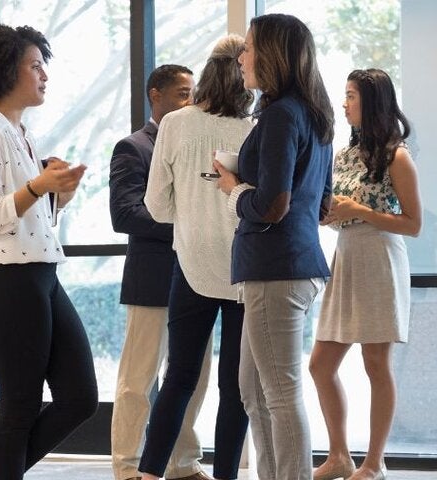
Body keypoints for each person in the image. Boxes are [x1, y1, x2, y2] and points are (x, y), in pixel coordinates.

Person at [0, 22, 98, 480]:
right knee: (20, 404)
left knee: (80, 397)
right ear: (5, 70)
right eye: (34, 65)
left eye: (43, 65)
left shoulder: (21, 133)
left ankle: (2, 476)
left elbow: (27, 215)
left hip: (39, 273)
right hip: (7, 280)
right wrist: (39, 185)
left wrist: (58, 194)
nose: (44, 75)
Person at [213, 13, 334, 480]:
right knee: (253, 390)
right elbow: (319, 205)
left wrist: (233, 187)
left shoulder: (283, 113)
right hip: (291, 264)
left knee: (279, 393)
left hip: (275, 267)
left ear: (272, 54)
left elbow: (273, 205)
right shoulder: (313, 114)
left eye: (248, 47)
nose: (241, 57)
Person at [140, 34, 254, 480]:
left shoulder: (176, 124)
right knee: (235, 387)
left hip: (190, 265)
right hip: (245, 270)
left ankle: (149, 473)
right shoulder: (255, 128)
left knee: (179, 378)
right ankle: (227, 475)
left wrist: (189, 214)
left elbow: (156, 205)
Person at [310, 68, 420, 480]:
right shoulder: (344, 154)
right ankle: (339, 454)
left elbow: (413, 224)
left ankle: (375, 462)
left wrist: (360, 212)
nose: (344, 103)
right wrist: (330, 215)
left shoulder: (398, 156)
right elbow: (339, 209)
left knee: (376, 362)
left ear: (372, 101)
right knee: (321, 364)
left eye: (352, 95)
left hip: (380, 258)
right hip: (347, 256)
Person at [109, 63, 214, 480]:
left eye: (192, 93)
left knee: (194, 377)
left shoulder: (197, 144)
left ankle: (182, 463)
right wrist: (186, 220)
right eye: (182, 93)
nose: (189, 101)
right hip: (152, 280)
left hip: (198, 276)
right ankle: (127, 466)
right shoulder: (133, 147)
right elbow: (125, 214)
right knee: (138, 381)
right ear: (156, 94)